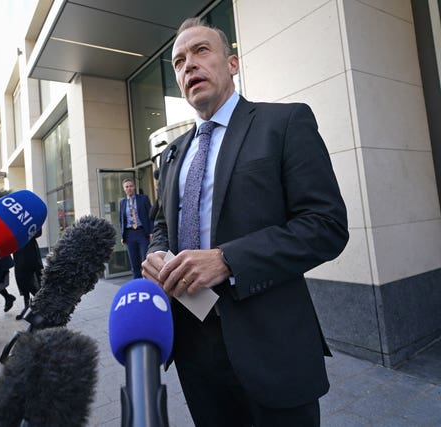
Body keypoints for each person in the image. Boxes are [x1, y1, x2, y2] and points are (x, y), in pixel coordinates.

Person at [141, 17, 348, 427]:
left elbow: (326, 226)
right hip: (193, 345)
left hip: (271, 343)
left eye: (201, 51)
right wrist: (155, 254)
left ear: (232, 63)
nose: (189, 66)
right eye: (179, 61)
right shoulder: (172, 154)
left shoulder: (285, 123)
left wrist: (229, 260)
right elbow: (161, 224)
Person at [118, 178, 153, 279]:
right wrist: (122, 235)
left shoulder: (143, 199)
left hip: (142, 233)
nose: (129, 188)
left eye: (131, 186)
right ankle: (137, 285)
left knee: (145, 260)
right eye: (127, 187)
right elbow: (121, 220)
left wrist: (151, 231)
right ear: (124, 189)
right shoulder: (122, 202)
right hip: (129, 235)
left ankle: (147, 282)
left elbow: (150, 215)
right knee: (134, 263)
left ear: (134, 187)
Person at [13, 230, 44, 320]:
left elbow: (39, 232)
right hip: (19, 253)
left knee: (34, 282)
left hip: (30, 252)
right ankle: (27, 306)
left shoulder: (30, 218)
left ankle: (42, 305)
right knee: (22, 280)